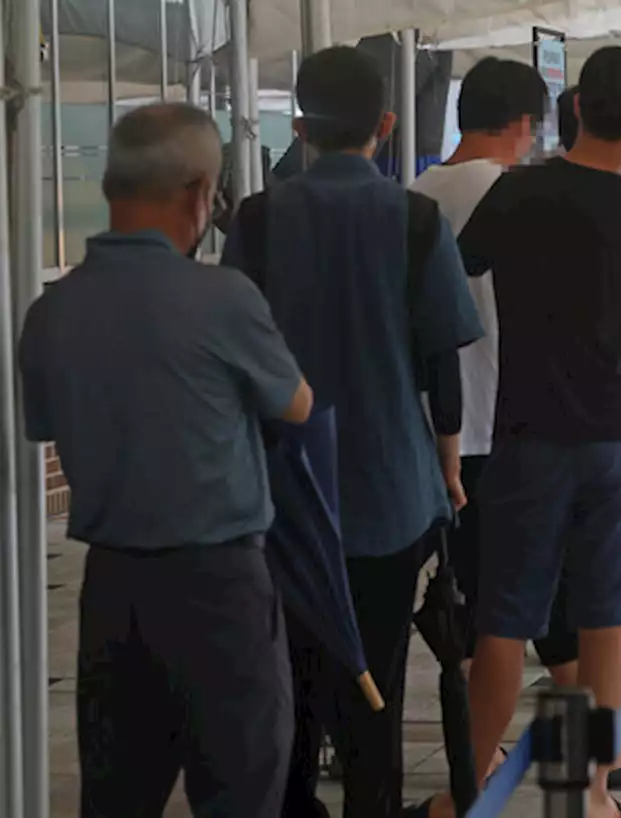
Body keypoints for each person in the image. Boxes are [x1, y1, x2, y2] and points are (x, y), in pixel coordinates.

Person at [18, 103, 312, 818]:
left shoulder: (53, 311)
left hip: (113, 588)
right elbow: (296, 403)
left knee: (118, 795)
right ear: (198, 194)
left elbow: (47, 426)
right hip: (219, 588)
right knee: (241, 789)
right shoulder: (221, 297)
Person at [223, 46, 484, 818]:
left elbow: (238, 355)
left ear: (299, 126)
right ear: (388, 124)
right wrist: (449, 467)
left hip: (281, 496)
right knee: (377, 678)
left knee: (287, 679)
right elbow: (441, 364)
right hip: (390, 491)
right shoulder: (416, 220)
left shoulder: (259, 220)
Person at [456, 45, 621, 818]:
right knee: (605, 619)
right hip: (616, 438)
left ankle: (467, 792)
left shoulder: (515, 194)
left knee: (501, 623)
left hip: (525, 433)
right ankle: (590, 793)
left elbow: (467, 266)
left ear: (577, 106)